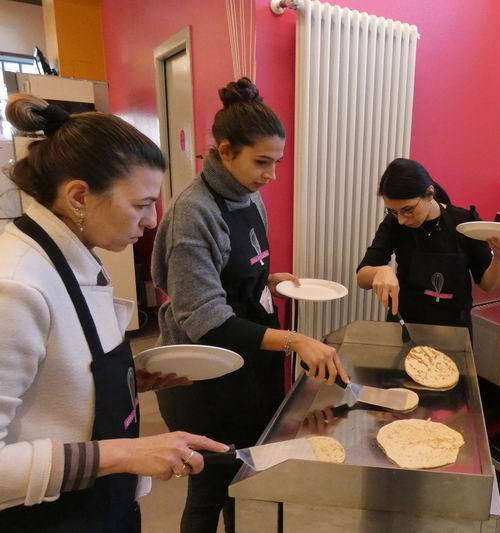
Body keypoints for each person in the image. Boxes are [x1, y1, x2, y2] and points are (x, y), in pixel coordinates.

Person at [0, 95, 228, 533]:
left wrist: (129, 380)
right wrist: (124, 453)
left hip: (106, 505)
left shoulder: (77, 259)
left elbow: (53, 376)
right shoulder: (16, 287)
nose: (152, 220)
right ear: (79, 196)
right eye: (141, 204)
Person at [152, 78, 349, 533]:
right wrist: (296, 340)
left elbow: (231, 270)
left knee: (247, 476)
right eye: (262, 162)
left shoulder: (247, 195)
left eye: (276, 162)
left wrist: (265, 279)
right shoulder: (193, 213)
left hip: (249, 367)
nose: (271, 175)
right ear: (225, 151)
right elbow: (206, 319)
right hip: (204, 378)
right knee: (212, 485)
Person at [357, 158, 500, 332]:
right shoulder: (394, 224)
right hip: (406, 328)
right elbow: (362, 277)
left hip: (454, 332)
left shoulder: (464, 223)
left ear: (429, 194)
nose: (401, 220)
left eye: (407, 210)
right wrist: (379, 271)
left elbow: (487, 285)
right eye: (393, 211)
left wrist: (499, 257)